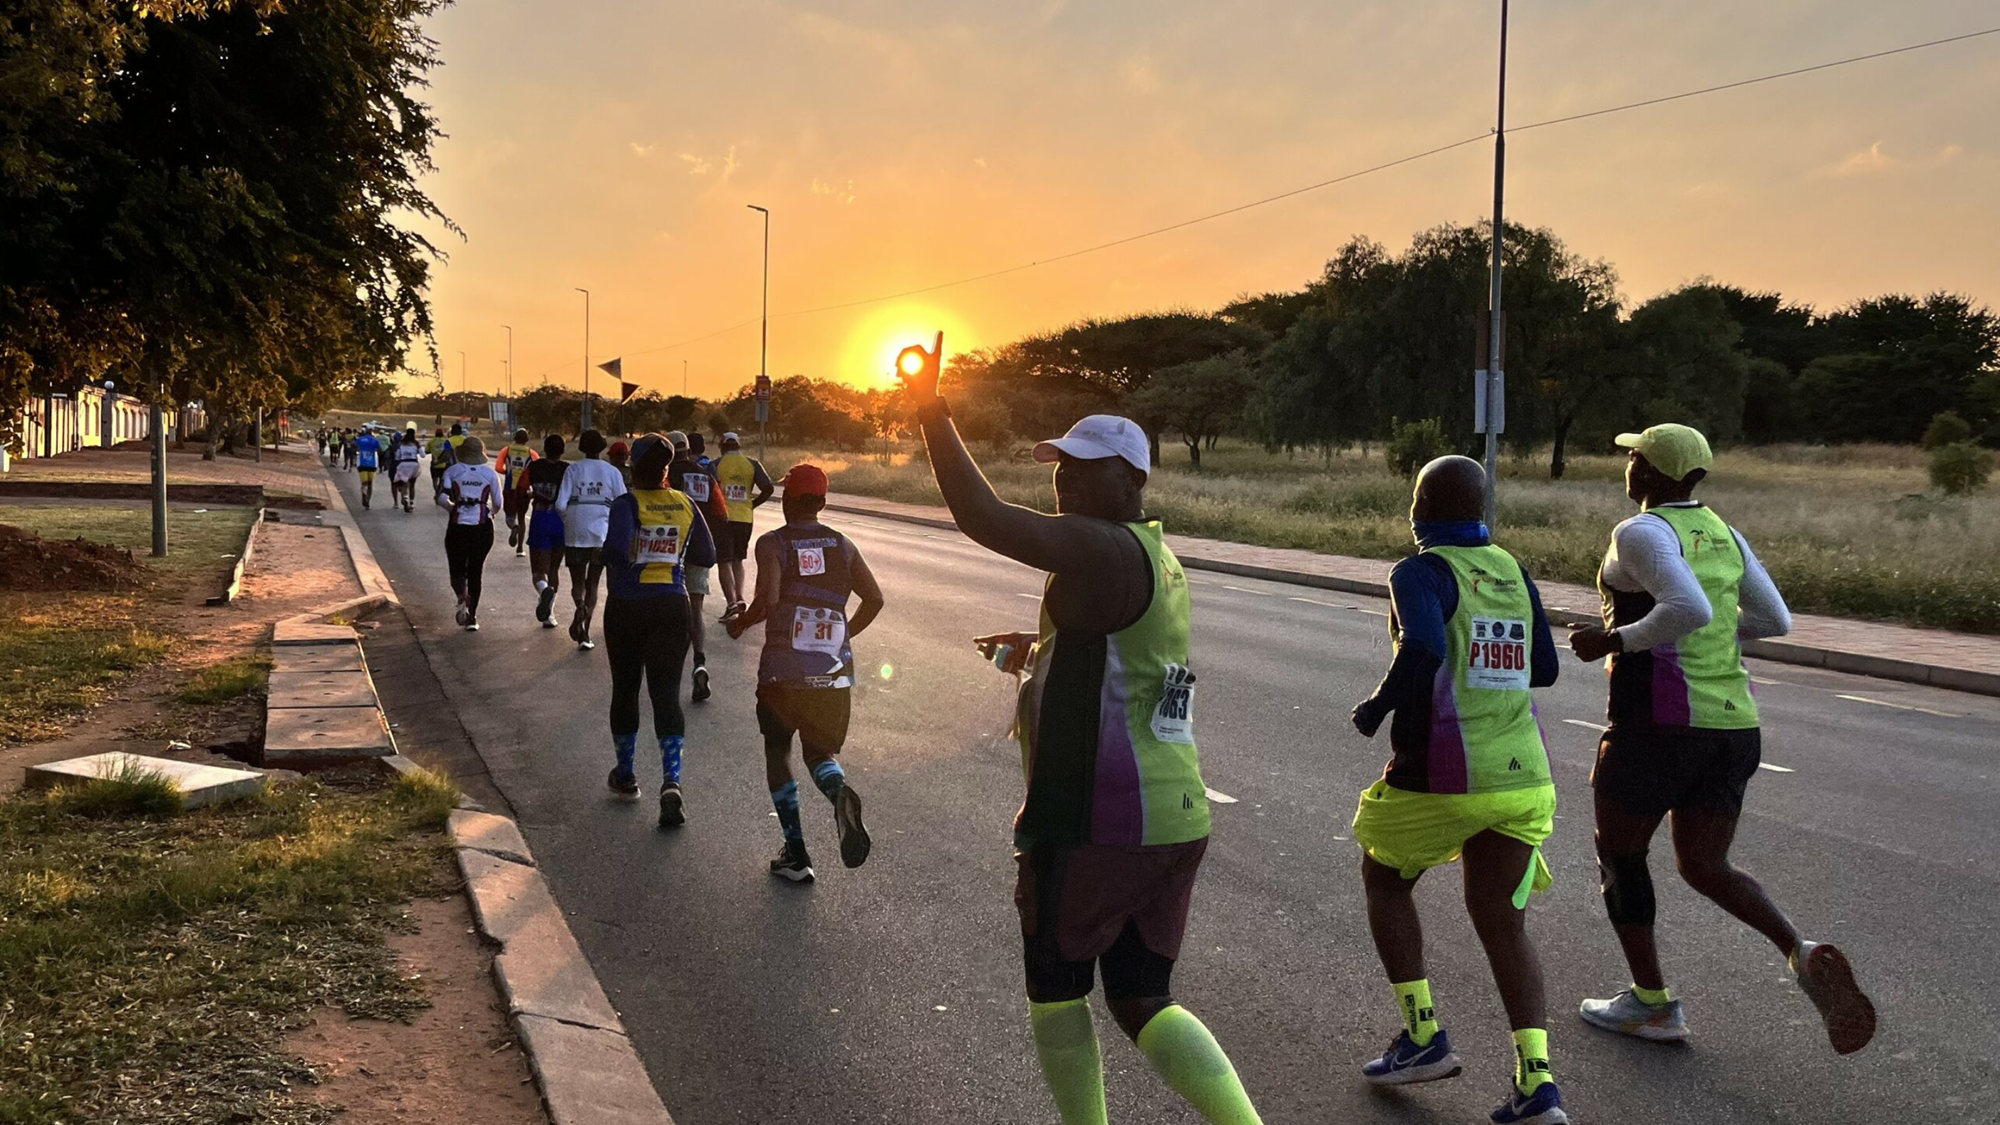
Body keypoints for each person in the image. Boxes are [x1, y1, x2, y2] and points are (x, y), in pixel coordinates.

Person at [899, 334, 1265, 1125]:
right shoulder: (1155, 557)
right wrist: (1036, 655)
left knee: (1058, 992)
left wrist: (932, 408)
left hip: (1097, 818)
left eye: (1083, 465)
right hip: (1172, 816)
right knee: (1143, 999)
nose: (1064, 478)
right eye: (1060, 463)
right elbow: (1128, 657)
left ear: (1130, 478)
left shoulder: (1097, 547)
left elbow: (984, 516)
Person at [1568, 423, 1875, 1054]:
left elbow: (1691, 609)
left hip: (1656, 726)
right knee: (1706, 867)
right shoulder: (1725, 534)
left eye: (1634, 457)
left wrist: (1614, 640)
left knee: (1621, 858)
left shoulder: (1641, 532)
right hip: (1733, 726)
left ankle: (1653, 1005)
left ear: (1651, 474)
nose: (1627, 464)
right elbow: (1774, 620)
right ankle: (1800, 949)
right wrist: (1705, 645)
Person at [1347, 455, 1568, 1125]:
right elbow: (1548, 668)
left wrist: (1378, 704)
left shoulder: (1417, 570)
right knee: (1504, 923)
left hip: (1442, 772)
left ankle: (1422, 1036)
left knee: (1385, 881)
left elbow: (1420, 648)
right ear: (1481, 513)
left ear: (1416, 513)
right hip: (1523, 777)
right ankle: (1538, 1082)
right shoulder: (1511, 569)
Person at [725, 463, 883, 881]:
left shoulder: (773, 543)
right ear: (823, 502)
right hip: (832, 674)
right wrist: (843, 634)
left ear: (786, 500)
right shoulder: (844, 545)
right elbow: (875, 599)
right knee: (820, 754)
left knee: (778, 753)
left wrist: (742, 621)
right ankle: (836, 791)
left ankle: (796, 852)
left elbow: (769, 598)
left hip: (782, 675)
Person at [601, 438, 717, 825]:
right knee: (667, 696)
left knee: (626, 689)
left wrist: (635, 552)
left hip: (628, 604)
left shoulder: (626, 504)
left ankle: (627, 775)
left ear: (632, 467)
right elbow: (707, 554)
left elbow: (615, 551)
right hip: (672, 604)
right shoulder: (684, 503)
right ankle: (671, 783)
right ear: (666, 469)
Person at [667, 430, 727, 702]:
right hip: (700, 547)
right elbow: (721, 511)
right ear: (689, 449)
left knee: (668, 608)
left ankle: (671, 665)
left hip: (669, 549)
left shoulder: (665, 475)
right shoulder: (704, 474)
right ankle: (699, 661)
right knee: (696, 609)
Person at [554, 429, 627, 651]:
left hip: (575, 533)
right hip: (600, 534)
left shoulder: (572, 470)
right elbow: (622, 501)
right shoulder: (612, 472)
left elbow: (559, 505)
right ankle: (585, 631)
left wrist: (569, 520)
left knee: (577, 581)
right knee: (593, 582)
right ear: (602, 448)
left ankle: (579, 605)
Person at [437, 435, 503, 631]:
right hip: (482, 527)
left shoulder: (452, 471)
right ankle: (472, 617)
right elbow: (498, 503)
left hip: (458, 525)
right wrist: (491, 513)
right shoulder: (490, 474)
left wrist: (452, 508)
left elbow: (441, 497)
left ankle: (460, 594)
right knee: (476, 570)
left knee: (457, 568)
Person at [713, 431, 774, 620]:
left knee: (724, 561)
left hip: (723, 518)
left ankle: (731, 603)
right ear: (738, 446)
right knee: (738, 560)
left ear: (722, 446)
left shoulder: (716, 464)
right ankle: (739, 598)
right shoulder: (752, 464)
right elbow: (768, 487)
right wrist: (753, 504)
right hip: (744, 518)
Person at [525, 433, 571, 628]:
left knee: (538, 571)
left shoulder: (534, 467)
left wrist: (530, 494)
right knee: (554, 568)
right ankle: (550, 614)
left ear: (544, 449)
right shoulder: (567, 469)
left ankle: (544, 591)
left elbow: (521, 489)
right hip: (561, 520)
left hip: (540, 517)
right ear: (562, 451)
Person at [496, 428, 539, 556]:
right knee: (522, 518)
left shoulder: (506, 450)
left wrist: (508, 472)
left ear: (514, 438)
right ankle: (520, 548)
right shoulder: (532, 453)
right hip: (523, 491)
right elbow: (537, 472)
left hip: (510, 490)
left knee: (510, 516)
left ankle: (513, 527)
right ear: (527, 440)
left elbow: (498, 467)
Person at [391, 427, 423, 513]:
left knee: (405, 483)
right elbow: (423, 455)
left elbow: (397, 456)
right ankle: (411, 503)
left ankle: (405, 497)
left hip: (403, 464)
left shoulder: (402, 444)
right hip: (414, 465)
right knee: (412, 485)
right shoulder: (416, 444)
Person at [353, 425, 383, 509]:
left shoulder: (360, 440)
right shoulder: (374, 440)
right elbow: (380, 450)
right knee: (370, 484)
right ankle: (368, 502)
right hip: (372, 464)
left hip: (362, 463)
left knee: (364, 483)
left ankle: (363, 494)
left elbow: (354, 446)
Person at [426, 427, 452, 498]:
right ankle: (439, 493)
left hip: (434, 464)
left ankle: (437, 492)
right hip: (444, 464)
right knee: (442, 481)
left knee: (434, 481)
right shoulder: (446, 441)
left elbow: (426, 451)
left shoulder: (431, 441)